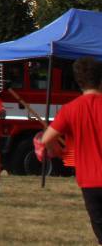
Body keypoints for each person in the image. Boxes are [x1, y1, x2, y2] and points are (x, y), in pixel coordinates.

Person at [39, 56, 102, 244]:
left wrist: (58, 151)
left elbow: (46, 139)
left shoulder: (69, 109)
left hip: (89, 181)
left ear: (78, 82)